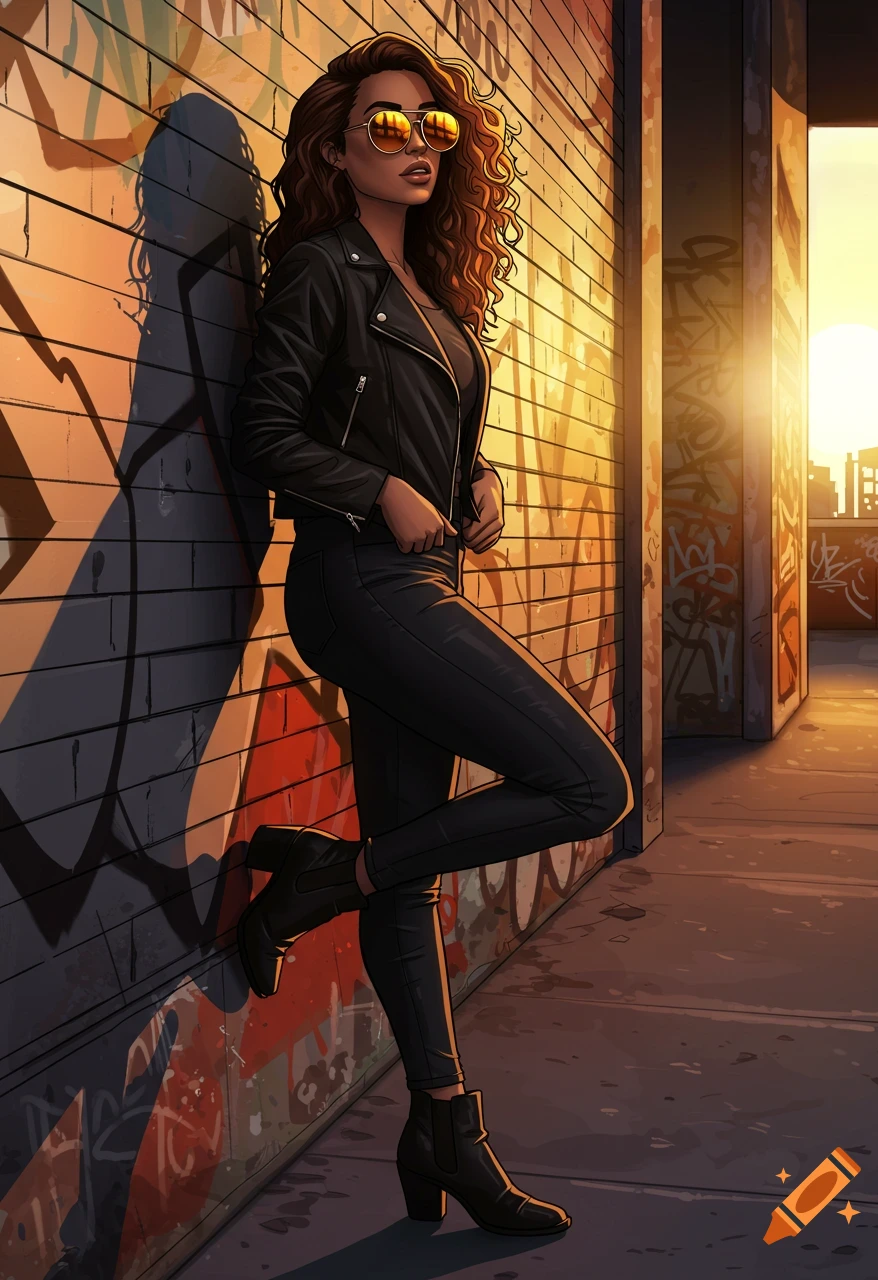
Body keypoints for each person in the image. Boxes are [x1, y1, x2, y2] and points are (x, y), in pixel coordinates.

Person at [229, 31, 634, 1238]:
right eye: (385, 124)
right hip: (361, 583)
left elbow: (433, 438)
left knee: (408, 862)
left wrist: (477, 478)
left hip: (425, 581)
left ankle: (443, 1127)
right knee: (589, 783)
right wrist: (376, 489)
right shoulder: (317, 269)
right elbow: (263, 432)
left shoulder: (439, 299)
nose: (414, 145)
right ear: (337, 147)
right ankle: (317, 877)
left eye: (431, 125)